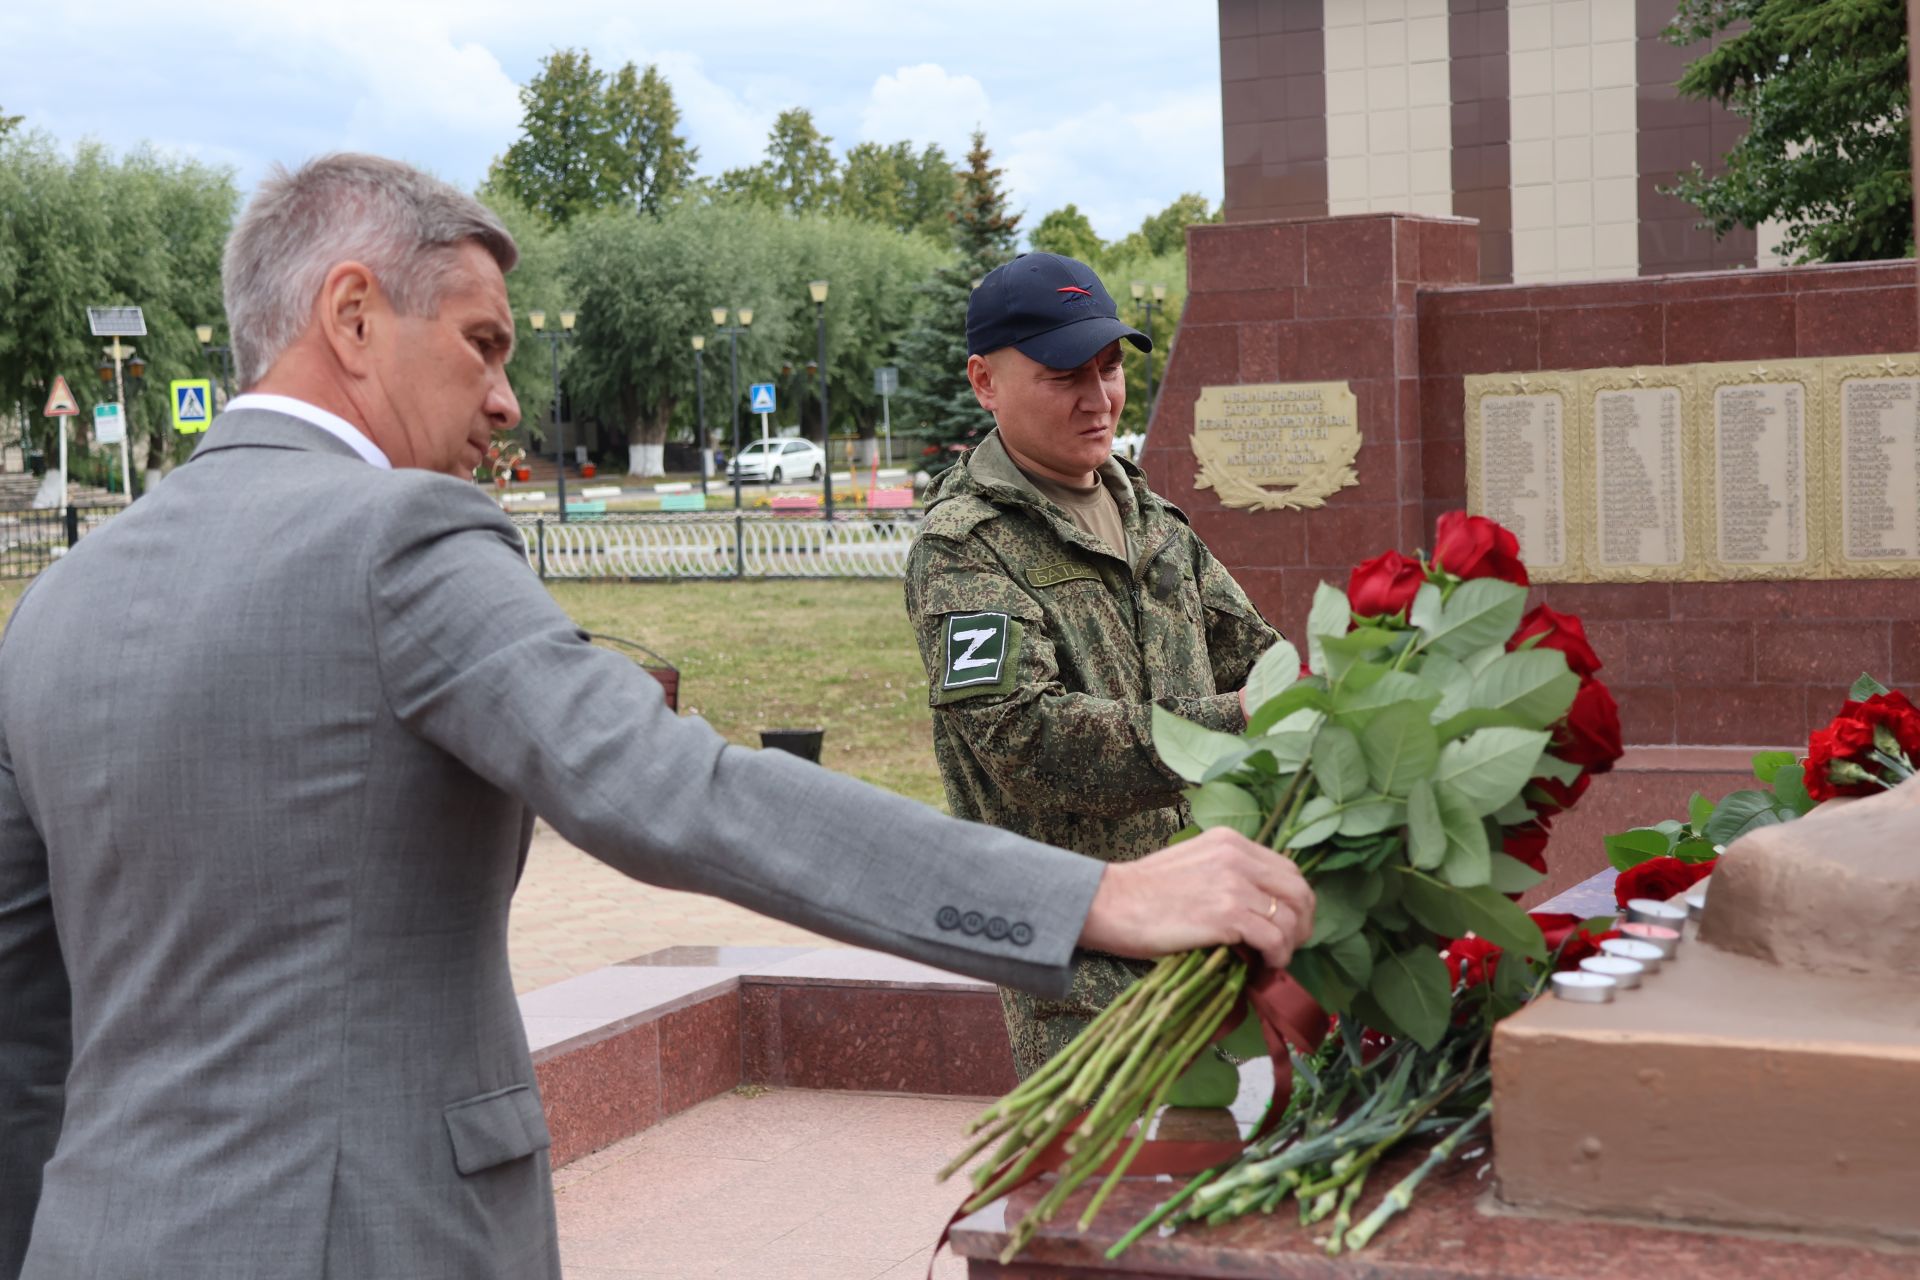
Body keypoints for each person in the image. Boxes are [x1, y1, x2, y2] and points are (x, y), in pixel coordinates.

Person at [0, 155, 1313, 1280]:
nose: (507, 401)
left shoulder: (57, 605)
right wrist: (1094, 900)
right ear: (352, 315)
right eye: (483, 344)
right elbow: (678, 791)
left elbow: (22, 1037)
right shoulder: (400, 537)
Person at [904, 252, 1288, 1080]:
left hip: (1205, 931)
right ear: (984, 381)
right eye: (1064, 375)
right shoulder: (967, 548)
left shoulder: (1147, 517)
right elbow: (1027, 747)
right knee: (1103, 1186)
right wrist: (1240, 720)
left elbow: (1256, 656)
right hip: (1078, 961)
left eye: (1111, 368)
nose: (1099, 398)